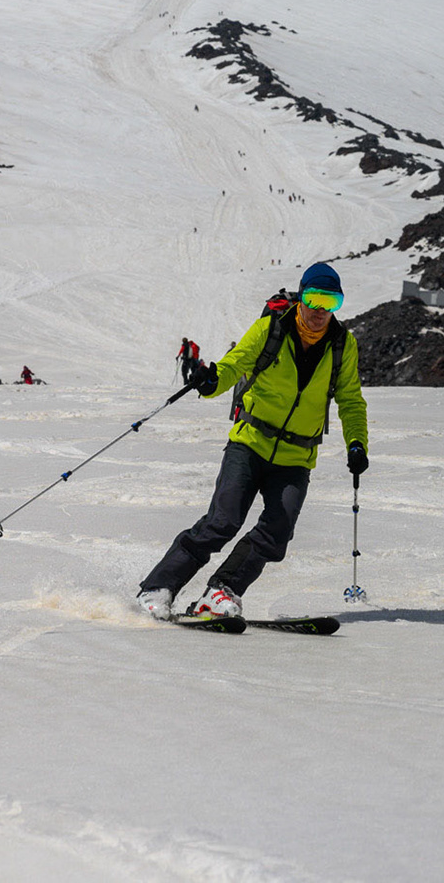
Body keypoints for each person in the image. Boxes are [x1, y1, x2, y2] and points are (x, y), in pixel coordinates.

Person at [137, 263, 369, 620]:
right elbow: (236, 364)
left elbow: (351, 399)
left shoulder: (343, 345)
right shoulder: (271, 329)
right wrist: (212, 382)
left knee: (277, 533)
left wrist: (357, 442)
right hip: (249, 444)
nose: (321, 310)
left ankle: (221, 590)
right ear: (301, 297)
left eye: (331, 301)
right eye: (314, 298)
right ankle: (158, 587)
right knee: (222, 522)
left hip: (296, 456)